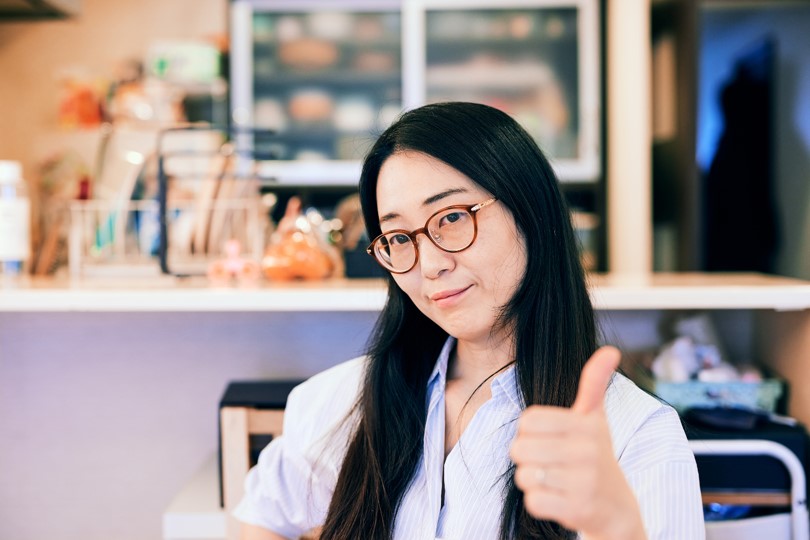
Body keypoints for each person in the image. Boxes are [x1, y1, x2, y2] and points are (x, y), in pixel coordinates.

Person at [234, 102, 705, 539]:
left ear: (531, 211)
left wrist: (618, 525)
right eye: (398, 237)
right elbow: (258, 520)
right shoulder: (340, 402)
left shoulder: (634, 435)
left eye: (452, 217)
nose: (429, 263)